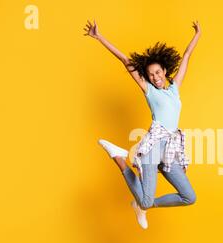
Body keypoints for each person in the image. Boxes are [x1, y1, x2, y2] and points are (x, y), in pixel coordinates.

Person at [83, 19, 202, 229]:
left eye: (158, 72)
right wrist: (99, 37)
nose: (155, 77)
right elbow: (125, 61)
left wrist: (197, 35)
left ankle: (141, 206)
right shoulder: (150, 91)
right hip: (154, 147)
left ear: (165, 71)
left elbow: (186, 57)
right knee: (145, 199)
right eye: (150, 75)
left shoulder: (174, 89)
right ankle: (118, 157)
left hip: (171, 150)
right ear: (147, 77)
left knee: (189, 197)